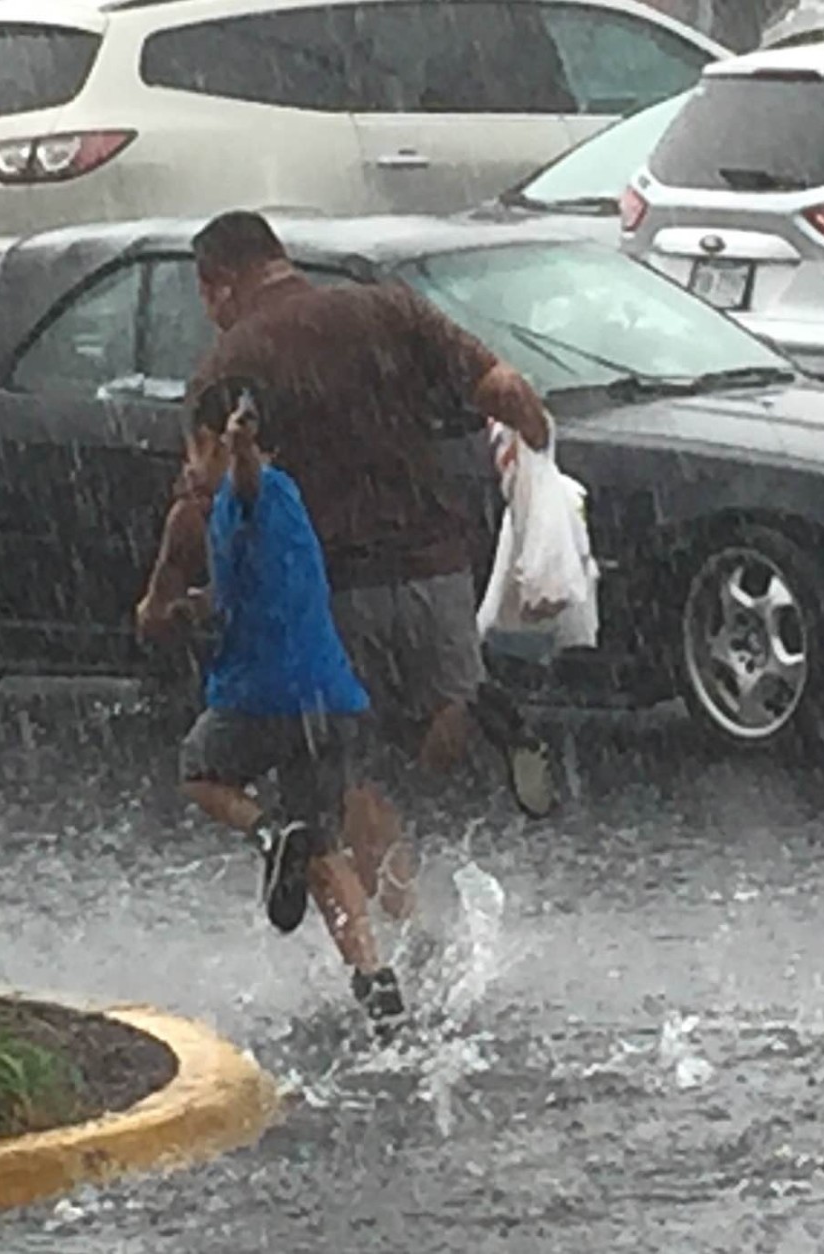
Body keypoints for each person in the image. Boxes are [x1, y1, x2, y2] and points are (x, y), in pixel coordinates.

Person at [183, 210, 559, 921]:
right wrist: (539, 446)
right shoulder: (384, 306)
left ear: (218, 285)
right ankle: (481, 709)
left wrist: (188, 594)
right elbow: (503, 388)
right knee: (438, 735)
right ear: (281, 256)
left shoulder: (231, 363)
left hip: (332, 590)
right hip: (436, 564)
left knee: (351, 770)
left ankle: (399, 925)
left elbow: (208, 496)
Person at [138, 384, 407, 1039]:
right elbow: (251, 587)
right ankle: (374, 978)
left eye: (192, 449)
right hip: (327, 697)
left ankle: (265, 833)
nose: (186, 465)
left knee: (200, 770)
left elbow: (248, 482)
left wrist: (240, 449)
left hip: (263, 697)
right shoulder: (268, 513)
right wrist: (202, 606)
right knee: (322, 847)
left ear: (212, 445)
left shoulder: (251, 493)